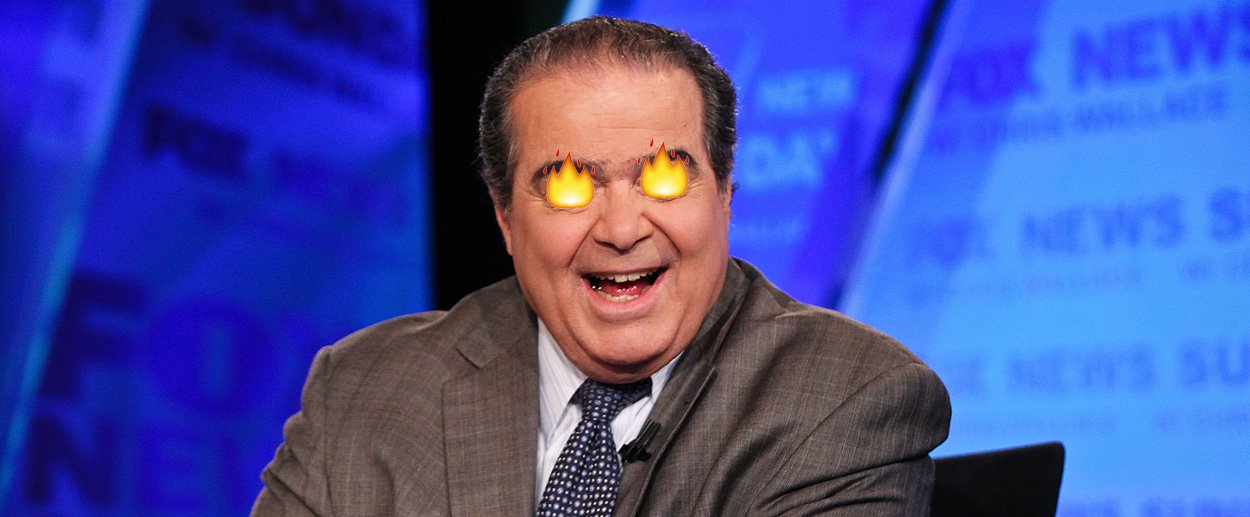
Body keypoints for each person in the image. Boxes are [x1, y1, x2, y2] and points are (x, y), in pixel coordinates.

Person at [253, 16, 950, 516]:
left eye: (666, 176)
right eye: (567, 184)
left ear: (725, 198)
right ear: (505, 217)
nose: (621, 229)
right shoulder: (363, 388)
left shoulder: (849, 399)